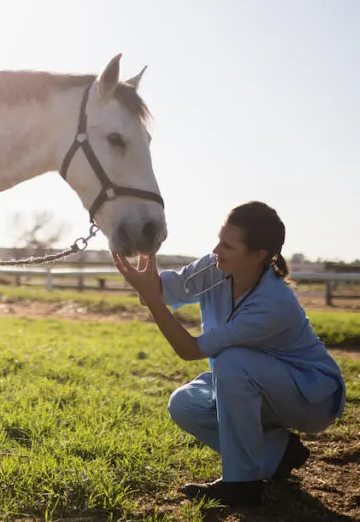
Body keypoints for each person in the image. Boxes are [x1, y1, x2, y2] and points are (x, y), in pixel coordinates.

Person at [111, 201, 345, 507]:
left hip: (311, 399)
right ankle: (278, 452)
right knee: (184, 403)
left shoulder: (273, 303)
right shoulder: (215, 266)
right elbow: (165, 289)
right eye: (220, 239)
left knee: (232, 362)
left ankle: (243, 484)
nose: (217, 250)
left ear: (259, 255)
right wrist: (141, 262)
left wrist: (154, 300)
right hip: (253, 383)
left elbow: (189, 349)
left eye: (228, 245)